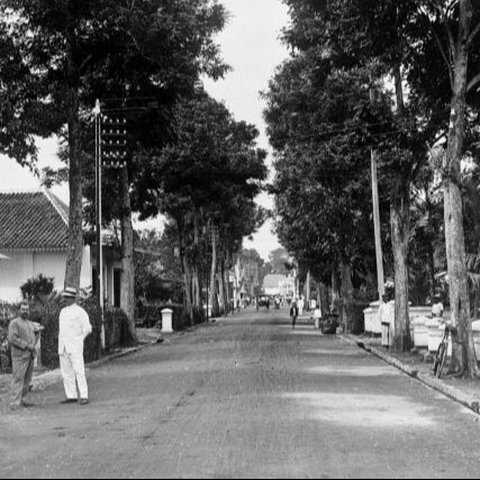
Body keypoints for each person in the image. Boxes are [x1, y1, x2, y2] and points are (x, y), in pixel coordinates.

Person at [58, 287, 92, 405]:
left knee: (79, 371)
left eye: (68, 297)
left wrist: (79, 340)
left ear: (73, 298)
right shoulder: (63, 311)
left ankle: (84, 395)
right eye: (65, 297)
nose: (66, 299)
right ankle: (71, 395)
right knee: (66, 372)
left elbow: (87, 328)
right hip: (63, 346)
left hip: (75, 346)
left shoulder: (80, 311)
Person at [8, 300, 42, 410]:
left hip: (30, 356)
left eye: (27, 309)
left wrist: (34, 344)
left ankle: (24, 400)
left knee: (27, 379)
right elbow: (12, 338)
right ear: (19, 310)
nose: (25, 311)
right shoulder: (14, 323)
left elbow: (37, 333)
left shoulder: (30, 323)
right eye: (23, 309)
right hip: (19, 356)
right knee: (18, 378)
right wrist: (27, 345)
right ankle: (14, 402)